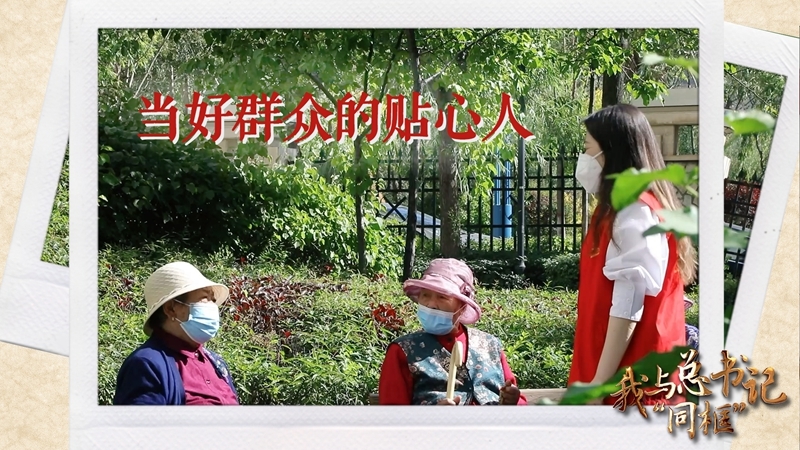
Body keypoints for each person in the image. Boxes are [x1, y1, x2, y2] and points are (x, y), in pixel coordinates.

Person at [567, 104, 698, 406]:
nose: (584, 156)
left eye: (588, 147)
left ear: (612, 151)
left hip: (628, 382)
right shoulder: (631, 207)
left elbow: (628, 303)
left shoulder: (634, 210)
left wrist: (598, 385)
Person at [378, 258, 527, 405]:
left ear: (462, 305)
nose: (431, 304)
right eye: (425, 295)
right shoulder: (402, 351)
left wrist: (512, 400)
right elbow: (393, 414)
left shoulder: (490, 345)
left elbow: (517, 401)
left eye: (442, 297)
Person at [113, 261, 239, 405]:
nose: (212, 306)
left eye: (213, 300)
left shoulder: (215, 362)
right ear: (171, 309)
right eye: (204, 298)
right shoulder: (146, 365)